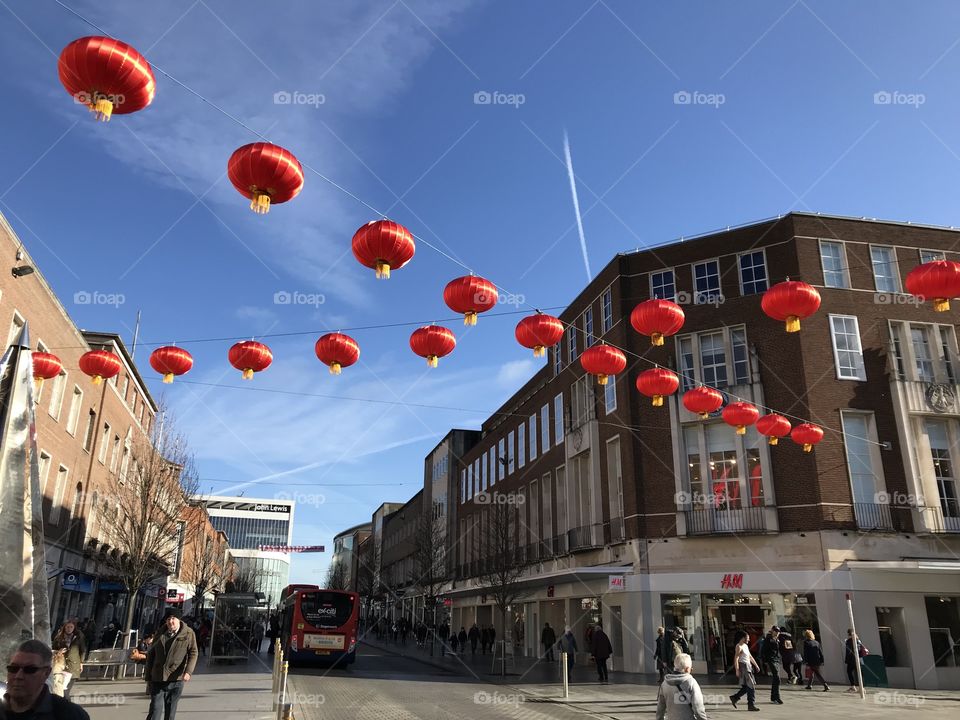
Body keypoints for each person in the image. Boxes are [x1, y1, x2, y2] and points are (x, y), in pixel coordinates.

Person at [2, 639, 90, 719]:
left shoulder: (71, 715)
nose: (18, 676)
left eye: (30, 670)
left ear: (46, 673)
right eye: (13, 668)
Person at [145, 608, 199, 720]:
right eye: (168, 619)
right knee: (155, 711)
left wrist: (188, 672)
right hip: (158, 677)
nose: (170, 621)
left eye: (173, 618)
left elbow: (193, 653)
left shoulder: (188, 633)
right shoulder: (160, 633)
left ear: (179, 620)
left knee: (170, 713)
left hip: (176, 678)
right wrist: (148, 676)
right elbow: (151, 655)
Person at [656, 652, 709, 720]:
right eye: (691, 669)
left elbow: (660, 707)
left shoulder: (665, 683)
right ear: (687, 669)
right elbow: (698, 707)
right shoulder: (691, 682)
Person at [50, 620, 86, 698]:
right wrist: (58, 651)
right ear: (64, 627)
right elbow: (52, 649)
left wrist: (81, 663)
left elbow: (82, 650)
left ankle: (68, 708)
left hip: (73, 666)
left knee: (65, 691)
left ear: (74, 628)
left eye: (71, 627)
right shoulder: (59, 637)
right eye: (67, 627)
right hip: (60, 665)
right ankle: (63, 707)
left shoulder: (78, 637)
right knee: (59, 690)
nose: (69, 629)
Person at [729, 629, 760, 711]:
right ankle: (751, 705)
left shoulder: (745, 646)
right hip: (743, 667)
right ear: (743, 638)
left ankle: (735, 697)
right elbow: (736, 658)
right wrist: (737, 670)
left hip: (748, 666)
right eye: (747, 638)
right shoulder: (738, 646)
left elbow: (750, 656)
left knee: (747, 687)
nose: (749, 639)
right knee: (751, 686)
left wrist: (756, 665)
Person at [761, 626, 783, 704]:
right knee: (777, 678)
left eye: (778, 631)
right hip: (771, 660)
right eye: (775, 631)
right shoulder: (768, 640)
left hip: (776, 660)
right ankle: (777, 697)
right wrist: (765, 661)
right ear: (772, 631)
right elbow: (763, 651)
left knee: (775, 679)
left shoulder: (778, 640)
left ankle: (773, 697)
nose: (777, 633)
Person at [844, 629, 867, 693]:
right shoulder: (858, 640)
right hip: (858, 659)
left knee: (849, 672)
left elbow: (848, 651)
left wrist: (847, 660)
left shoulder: (849, 641)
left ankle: (853, 686)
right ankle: (862, 687)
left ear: (848, 634)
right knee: (859, 673)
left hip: (852, 659)